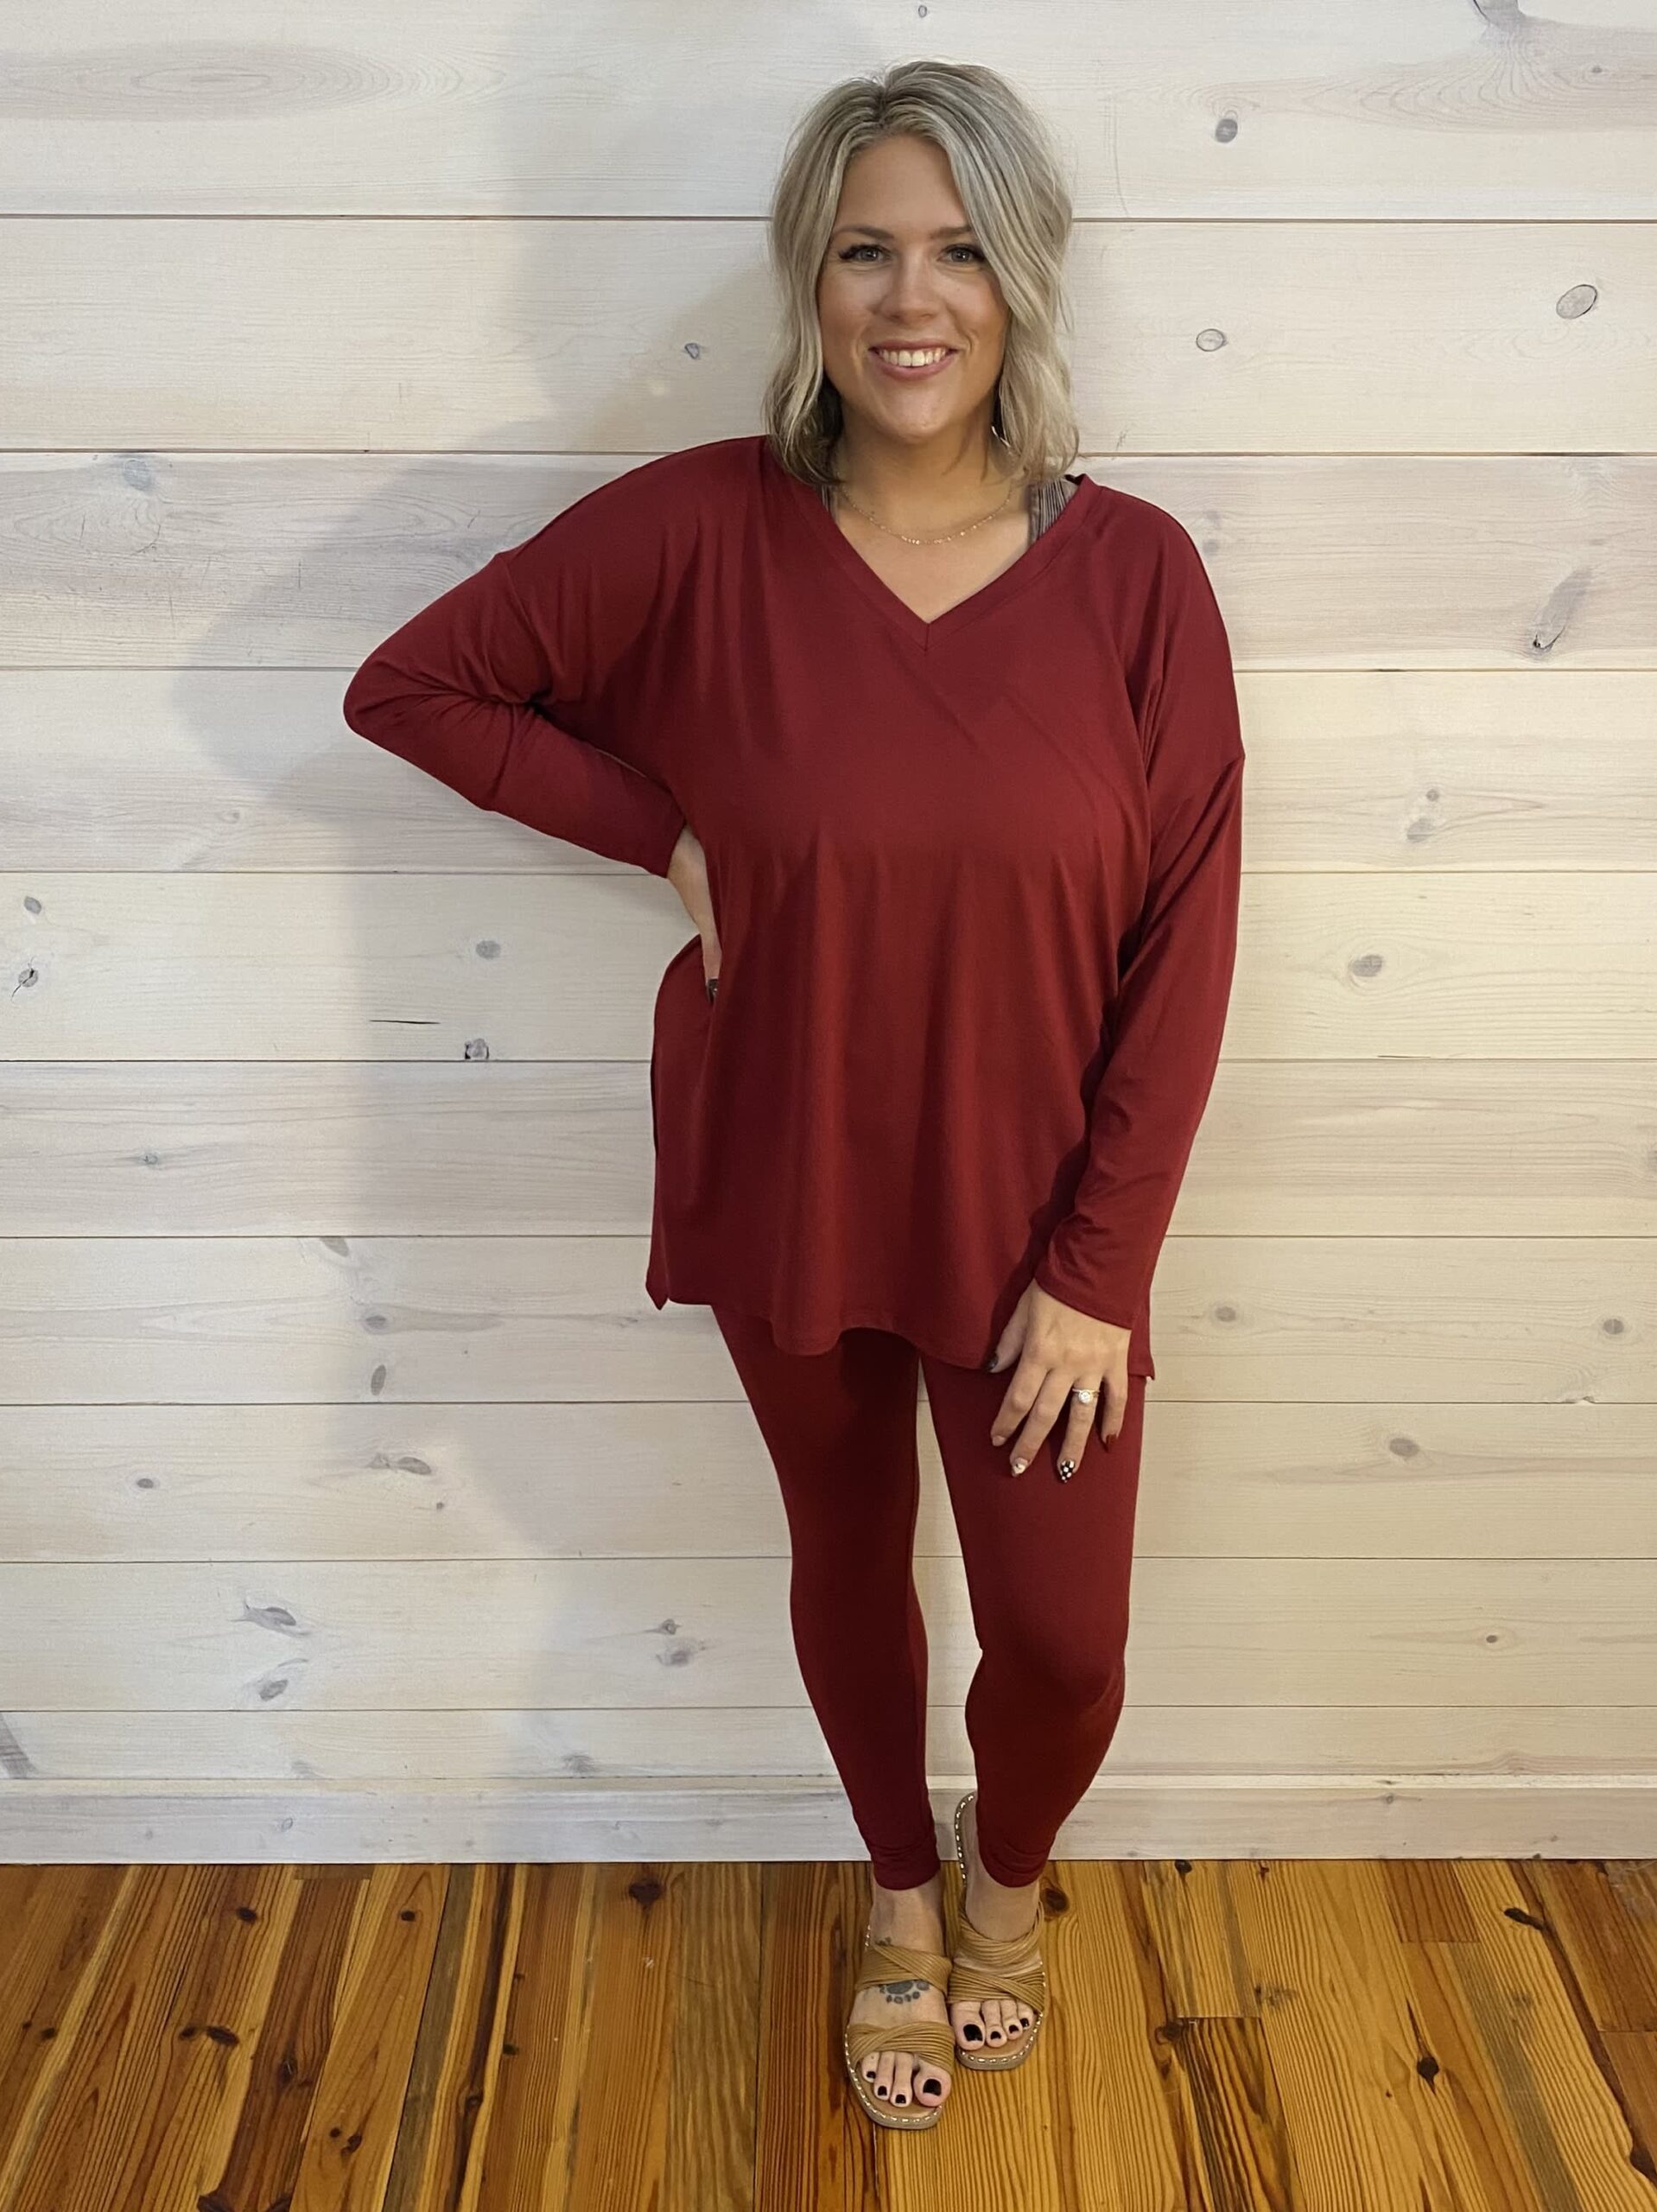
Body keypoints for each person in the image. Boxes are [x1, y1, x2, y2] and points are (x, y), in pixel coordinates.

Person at [344, 60, 1245, 2133]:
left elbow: (1184, 942)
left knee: (1060, 1636)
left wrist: (1100, 1270)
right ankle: (902, 1895)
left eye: (956, 252)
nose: (908, 300)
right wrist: (659, 830)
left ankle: (1009, 1875)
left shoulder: (1135, 578)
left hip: (1043, 1221)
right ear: (808, 281)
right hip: (790, 1165)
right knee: (847, 1557)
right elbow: (415, 685)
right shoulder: (696, 530)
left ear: (1019, 282)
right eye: (863, 252)